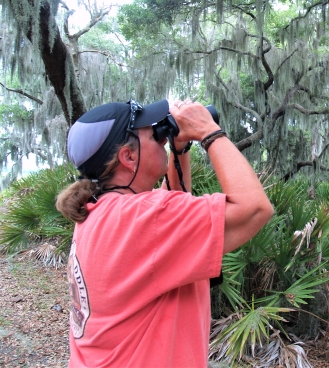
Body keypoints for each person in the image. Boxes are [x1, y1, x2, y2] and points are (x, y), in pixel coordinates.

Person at [55, 98, 274, 367]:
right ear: (128, 156)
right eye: (153, 134)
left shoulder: (95, 211)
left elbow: (163, 236)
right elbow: (254, 209)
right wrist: (208, 131)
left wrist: (179, 147)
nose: (162, 138)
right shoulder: (143, 218)